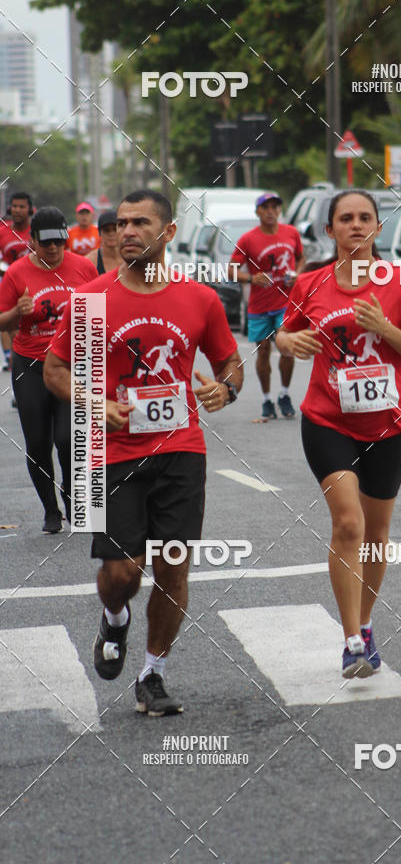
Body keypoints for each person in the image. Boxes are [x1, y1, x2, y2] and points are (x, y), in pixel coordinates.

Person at [44, 189, 243, 716]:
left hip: (181, 449)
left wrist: (226, 390)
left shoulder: (200, 299)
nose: (127, 231)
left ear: (168, 233)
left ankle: (152, 674)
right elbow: (55, 370)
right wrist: (95, 403)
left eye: (140, 223)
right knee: (121, 574)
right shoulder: (92, 300)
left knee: (173, 568)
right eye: (123, 223)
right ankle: (114, 619)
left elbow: (229, 364)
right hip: (109, 453)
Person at [276, 190, 401, 678]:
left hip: (389, 425)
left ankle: (365, 626)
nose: (357, 225)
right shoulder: (310, 283)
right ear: (330, 231)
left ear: (378, 229)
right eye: (346, 218)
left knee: (376, 534)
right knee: (348, 523)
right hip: (328, 420)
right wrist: (289, 339)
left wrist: (385, 328)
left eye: (366, 218)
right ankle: (349, 642)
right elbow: (283, 333)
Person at [0, 206, 97, 533]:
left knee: (68, 439)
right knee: (38, 441)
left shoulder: (84, 268)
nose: (54, 249)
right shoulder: (16, 272)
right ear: (33, 242)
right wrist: (18, 312)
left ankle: (73, 500)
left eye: (59, 242)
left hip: (72, 366)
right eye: (46, 243)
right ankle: (50, 510)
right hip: (30, 364)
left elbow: (102, 315)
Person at [229, 192, 305, 419]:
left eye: (275, 206)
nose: (271, 211)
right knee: (263, 351)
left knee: (286, 347)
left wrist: (297, 275)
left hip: (286, 302)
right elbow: (231, 270)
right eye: (266, 207)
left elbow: (301, 257)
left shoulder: (291, 233)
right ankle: (267, 399)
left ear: (280, 210)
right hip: (260, 306)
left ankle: (284, 393)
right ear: (258, 212)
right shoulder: (248, 239)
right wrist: (252, 279)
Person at [0, 191, 33, 372]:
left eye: (22, 207)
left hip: (34, 286)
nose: (18, 210)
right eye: (15, 206)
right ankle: (16, 374)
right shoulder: (2, 232)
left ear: (30, 209)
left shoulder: (36, 231)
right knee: (13, 331)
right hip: (9, 286)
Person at [85, 209, 123, 273]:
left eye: (115, 229)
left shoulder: (131, 259)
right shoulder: (90, 261)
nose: (111, 234)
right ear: (100, 233)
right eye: (106, 230)